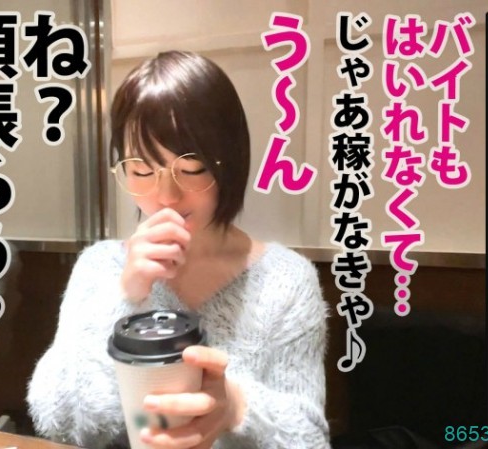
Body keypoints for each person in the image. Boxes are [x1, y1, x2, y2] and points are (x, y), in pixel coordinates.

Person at [27, 50, 330, 449]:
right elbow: (56, 420)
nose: (166, 195)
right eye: (141, 170)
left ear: (229, 162)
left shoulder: (286, 282)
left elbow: (310, 439)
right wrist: (125, 295)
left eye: (190, 169)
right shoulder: (100, 267)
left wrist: (236, 406)